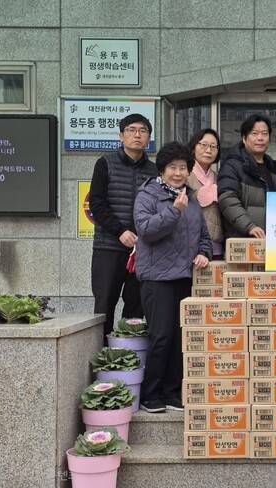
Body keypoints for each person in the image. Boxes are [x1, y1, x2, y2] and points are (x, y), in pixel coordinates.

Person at [133, 141, 212, 413]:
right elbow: (146, 230)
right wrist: (173, 211)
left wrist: (203, 253)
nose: (178, 173)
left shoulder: (190, 197)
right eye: (172, 167)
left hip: (184, 276)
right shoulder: (148, 195)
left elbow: (203, 234)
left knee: (180, 337)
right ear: (162, 170)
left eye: (183, 168)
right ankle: (150, 394)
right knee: (161, 336)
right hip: (157, 278)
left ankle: (171, 392)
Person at [89, 113, 157, 339]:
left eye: (143, 131)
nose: (137, 135)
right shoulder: (105, 163)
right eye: (131, 130)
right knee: (104, 305)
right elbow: (97, 204)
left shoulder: (155, 171)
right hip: (108, 246)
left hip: (142, 250)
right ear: (121, 136)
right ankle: (101, 353)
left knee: (136, 305)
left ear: (148, 138)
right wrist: (120, 231)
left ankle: (129, 353)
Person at [218, 114, 276, 238]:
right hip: (243, 239)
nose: (260, 138)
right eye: (254, 133)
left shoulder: (273, 169)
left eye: (265, 134)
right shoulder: (232, 165)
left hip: (271, 239)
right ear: (244, 138)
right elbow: (227, 199)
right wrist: (249, 226)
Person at [186, 128, 224, 259]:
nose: (208, 150)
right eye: (204, 145)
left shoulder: (219, 177)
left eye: (213, 146)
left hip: (217, 244)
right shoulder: (184, 175)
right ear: (193, 147)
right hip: (190, 244)